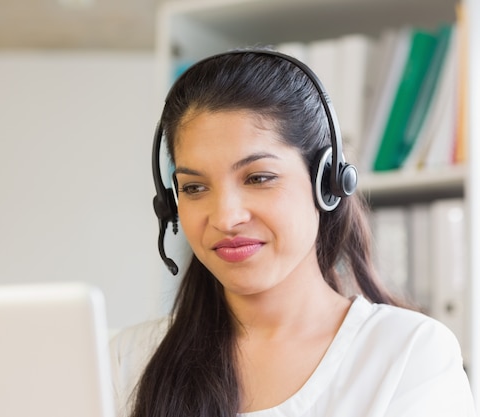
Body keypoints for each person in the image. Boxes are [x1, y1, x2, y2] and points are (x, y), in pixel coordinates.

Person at [110, 47, 476, 417]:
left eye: (258, 178)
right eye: (194, 187)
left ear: (326, 184)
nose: (225, 217)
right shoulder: (127, 361)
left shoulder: (408, 355)